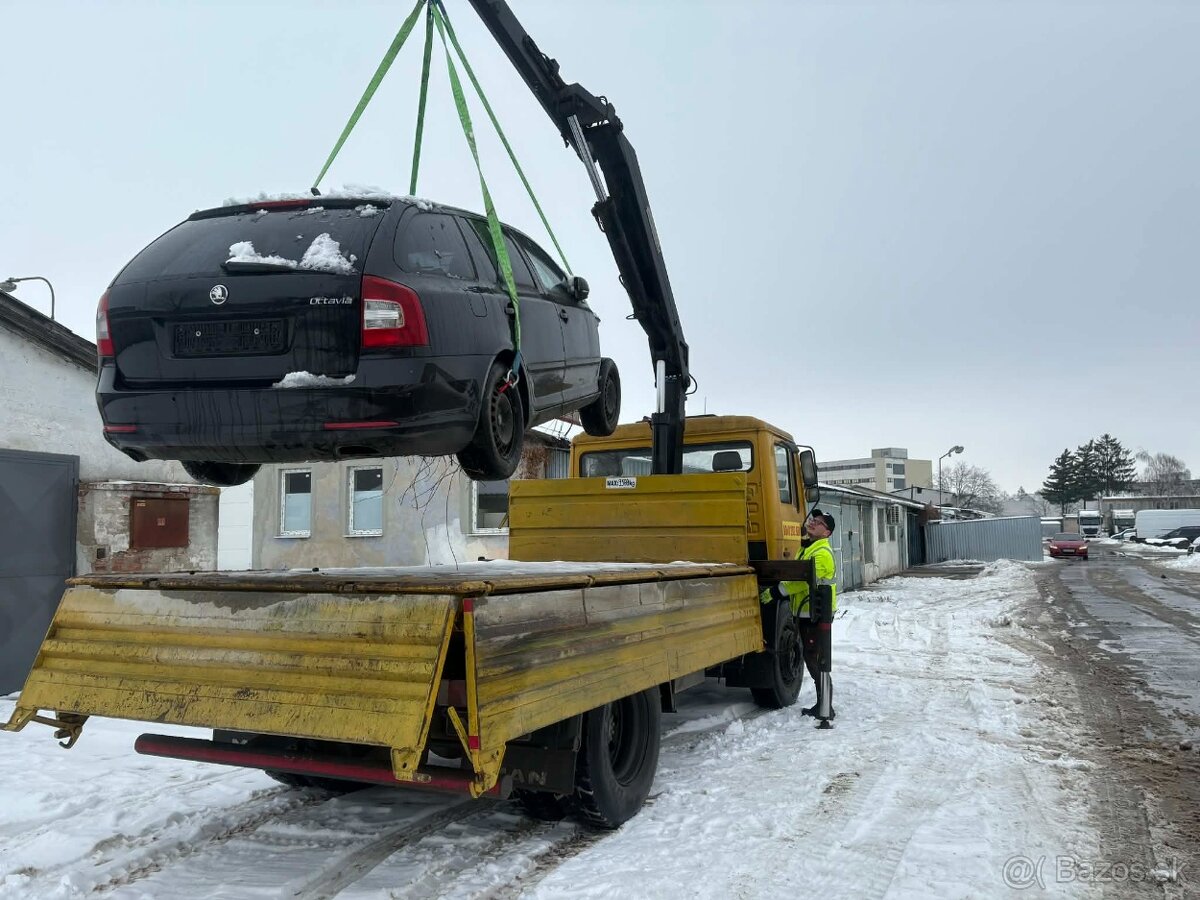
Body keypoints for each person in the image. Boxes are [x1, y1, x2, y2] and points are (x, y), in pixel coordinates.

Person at [760, 508, 838, 718]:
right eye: (814, 519)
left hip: (816, 615)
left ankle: (825, 707)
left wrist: (776, 592)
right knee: (813, 658)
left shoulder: (822, 554)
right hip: (807, 613)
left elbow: (801, 582)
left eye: (820, 522)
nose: (813, 522)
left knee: (817, 660)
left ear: (827, 533)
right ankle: (823, 704)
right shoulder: (808, 549)